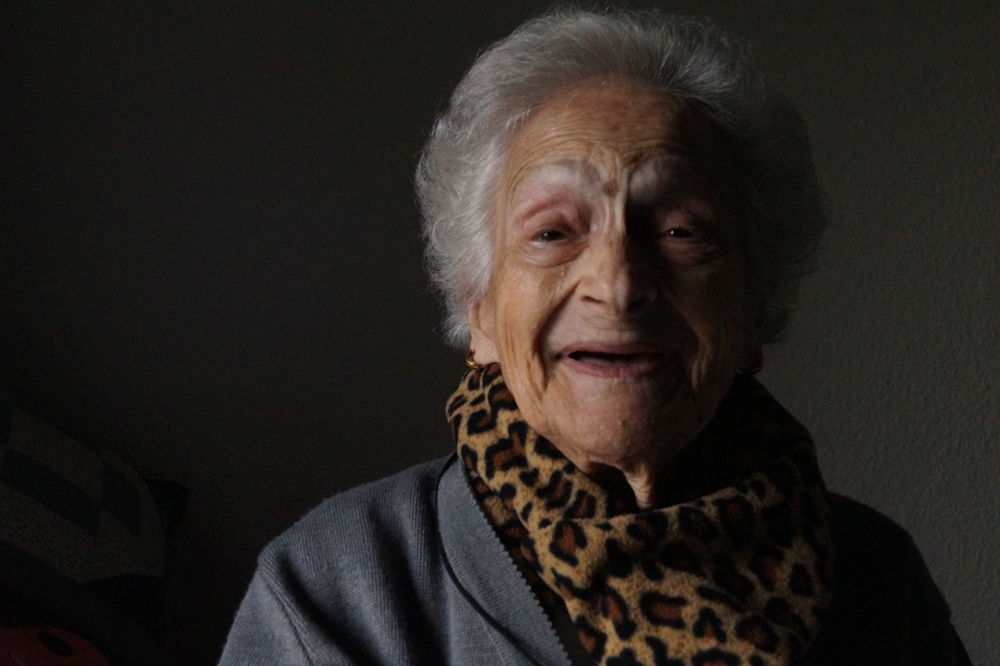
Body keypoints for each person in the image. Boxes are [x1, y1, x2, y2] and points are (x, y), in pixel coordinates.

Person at [219, 9, 969, 665]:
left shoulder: (875, 580)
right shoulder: (338, 584)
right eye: (553, 232)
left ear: (752, 308)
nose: (617, 282)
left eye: (680, 231)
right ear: (480, 311)